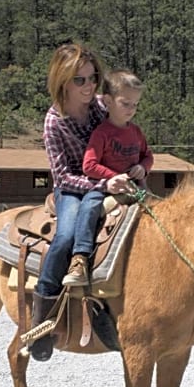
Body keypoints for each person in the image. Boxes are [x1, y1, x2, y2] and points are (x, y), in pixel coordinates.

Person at [29, 43, 135, 361]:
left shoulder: (103, 107)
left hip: (110, 179)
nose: (89, 86)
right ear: (63, 81)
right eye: (80, 80)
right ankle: (43, 317)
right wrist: (104, 183)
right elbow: (62, 177)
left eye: (92, 78)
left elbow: (125, 134)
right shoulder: (53, 122)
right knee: (64, 237)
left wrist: (136, 163)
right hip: (73, 189)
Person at [65, 69, 153, 286]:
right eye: (126, 103)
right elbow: (89, 165)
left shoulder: (136, 132)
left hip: (134, 188)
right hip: (104, 188)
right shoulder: (102, 133)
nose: (131, 110)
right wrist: (115, 177)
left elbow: (147, 156)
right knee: (89, 208)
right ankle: (80, 258)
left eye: (135, 105)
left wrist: (143, 167)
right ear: (108, 101)